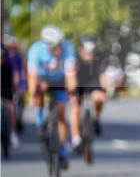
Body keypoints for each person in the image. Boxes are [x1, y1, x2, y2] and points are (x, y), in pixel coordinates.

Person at [26, 25, 78, 167]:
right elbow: (32, 77)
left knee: (61, 114)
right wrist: (32, 95)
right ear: (46, 45)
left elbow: (71, 76)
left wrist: (72, 93)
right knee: (37, 94)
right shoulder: (36, 50)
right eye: (55, 47)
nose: (58, 49)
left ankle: (61, 149)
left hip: (60, 80)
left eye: (59, 45)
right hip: (41, 79)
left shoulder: (68, 49)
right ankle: (39, 121)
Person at [72, 35, 108, 142]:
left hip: (93, 82)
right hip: (78, 82)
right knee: (76, 108)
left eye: (91, 51)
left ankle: (96, 119)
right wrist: (72, 92)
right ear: (80, 50)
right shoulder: (74, 58)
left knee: (99, 98)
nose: (89, 55)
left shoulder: (100, 57)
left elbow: (103, 76)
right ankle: (76, 138)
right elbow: (71, 76)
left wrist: (104, 91)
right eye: (86, 51)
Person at [1, 35, 22, 147]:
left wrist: (17, 88)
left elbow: (15, 75)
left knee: (10, 108)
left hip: (7, 86)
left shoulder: (10, 61)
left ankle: (13, 133)